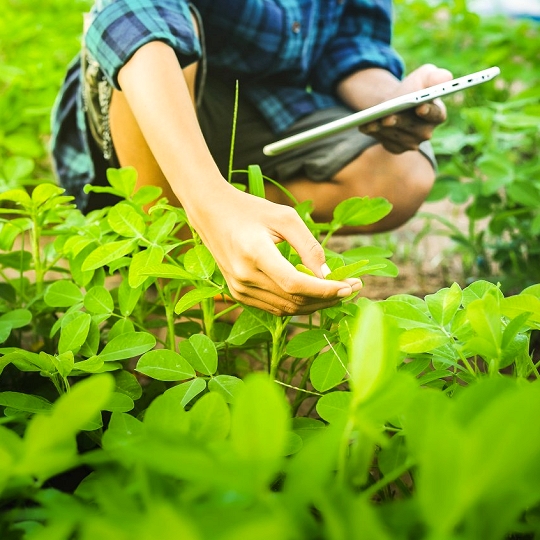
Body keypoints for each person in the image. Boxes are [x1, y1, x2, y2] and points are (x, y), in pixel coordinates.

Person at [51, 0, 452, 316]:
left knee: (403, 174)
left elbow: (349, 42)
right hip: (148, 84)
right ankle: (176, 260)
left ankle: (243, 230)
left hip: (268, 104)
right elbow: (131, 14)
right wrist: (210, 200)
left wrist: (389, 100)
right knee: (169, 31)